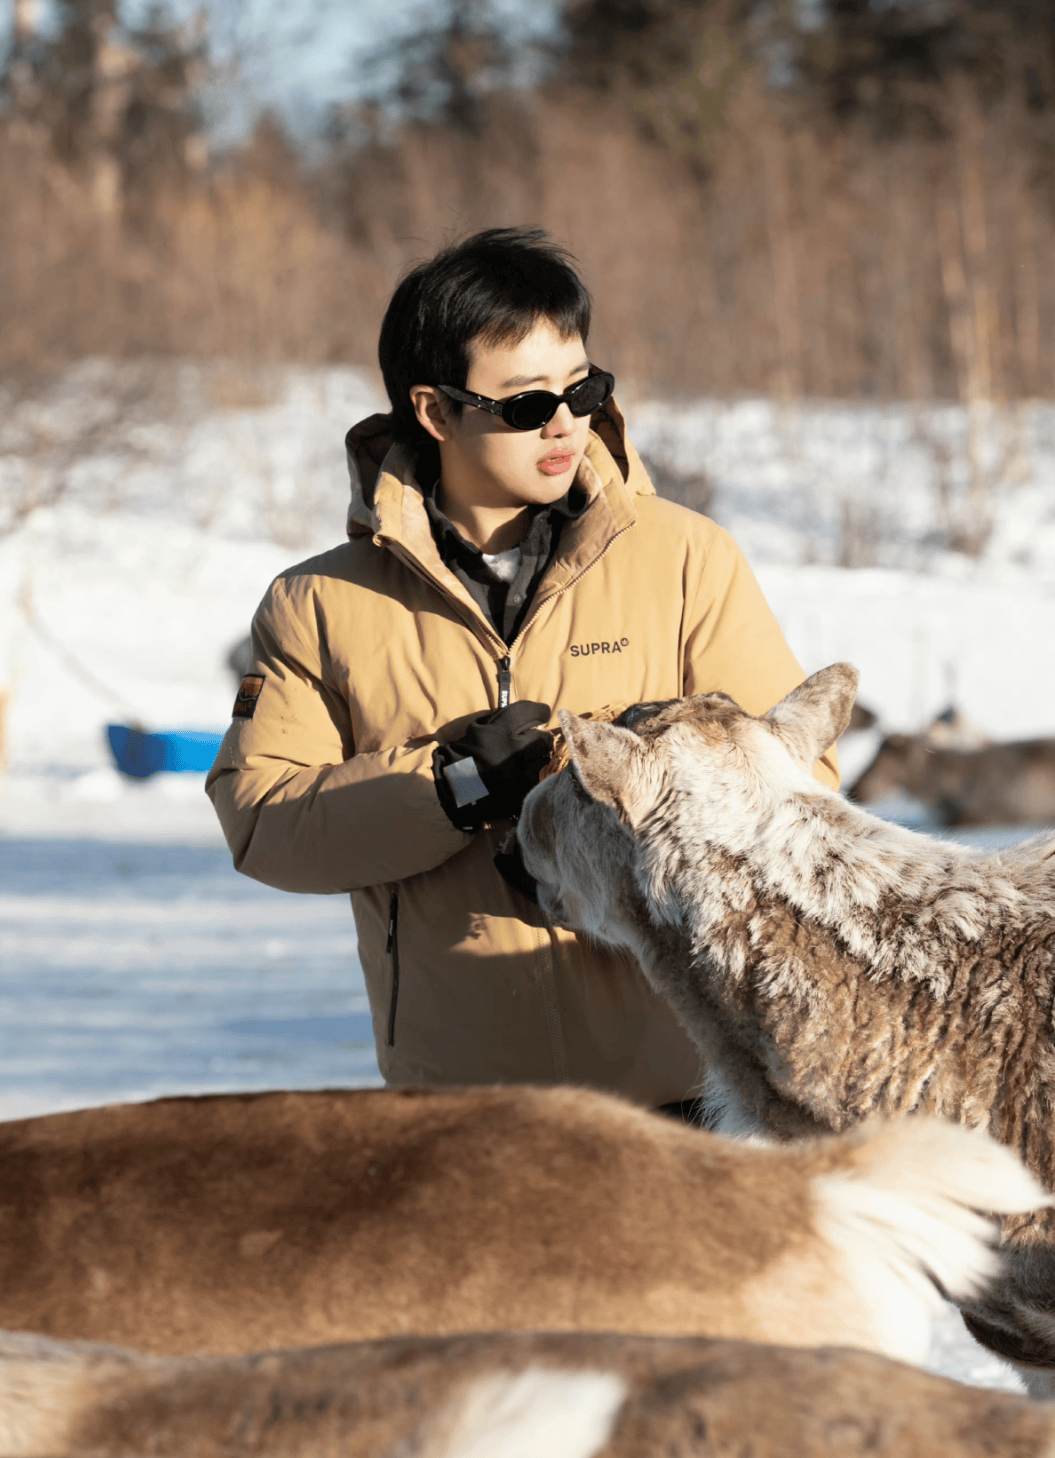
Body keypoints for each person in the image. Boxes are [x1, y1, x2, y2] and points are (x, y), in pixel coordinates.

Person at [207, 227, 838, 1109]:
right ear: (436, 412)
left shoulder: (687, 559)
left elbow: (803, 783)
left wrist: (636, 779)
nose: (564, 423)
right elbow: (265, 825)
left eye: (583, 388)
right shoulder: (320, 603)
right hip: (460, 1105)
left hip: (686, 1091)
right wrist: (450, 788)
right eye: (526, 402)